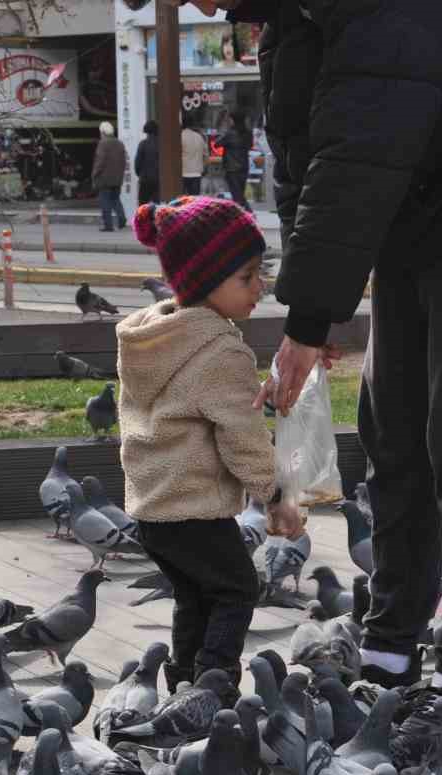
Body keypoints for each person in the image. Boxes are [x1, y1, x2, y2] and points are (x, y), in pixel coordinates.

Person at [198, 0, 442, 712]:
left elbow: (360, 147)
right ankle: (393, 637)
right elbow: (306, 152)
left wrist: (310, 320)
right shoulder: (289, 15)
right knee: (393, 424)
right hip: (413, 194)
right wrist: (321, 294)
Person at [117, 195, 303, 690]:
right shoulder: (219, 350)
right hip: (194, 508)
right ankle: (212, 687)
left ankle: (182, 683)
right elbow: (243, 439)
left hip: (152, 511)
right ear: (203, 280)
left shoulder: (152, 340)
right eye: (245, 277)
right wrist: (277, 497)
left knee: (195, 596)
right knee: (239, 589)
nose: (258, 288)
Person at [91, 121, 129, 231]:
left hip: (104, 179)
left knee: (105, 202)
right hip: (117, 179)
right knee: (116, 200)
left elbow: (100, 162)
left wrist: (94, 174)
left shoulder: (103, 143)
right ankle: (121, 219)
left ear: (102, 132)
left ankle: (108, 225)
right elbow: (123, 162)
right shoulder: (119, 143)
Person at [220, 111, 253, 213]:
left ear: (232, 120)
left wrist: (224, 129)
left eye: (229, 119)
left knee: (237, 196)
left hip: (232, 168)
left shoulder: (230, 134)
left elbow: (217, 143)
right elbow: (250, 146)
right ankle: (244, 215)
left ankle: (248, 214)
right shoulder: (248, 133)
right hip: (244, 167)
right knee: (239, 194)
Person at [134, 120, 160, 206]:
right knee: (156, 205)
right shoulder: (160, 144)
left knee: (143, 205)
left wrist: (139, 173)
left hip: (145, 179)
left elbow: (137, 162)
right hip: (157, 179)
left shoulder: (143, 144)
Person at [180, 114, 207, 196]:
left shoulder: (179, 136)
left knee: (183, 200)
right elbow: (205, 155)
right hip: (197, 173)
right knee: (195, 200)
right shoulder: (199, 137)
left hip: (183, 172)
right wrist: (203, 168)